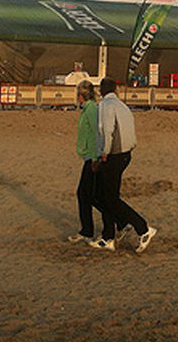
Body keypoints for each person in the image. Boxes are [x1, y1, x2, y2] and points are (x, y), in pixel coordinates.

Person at [89, 78, 157, 252]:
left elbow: (106, 132)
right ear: (116, 91)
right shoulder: (122, 106)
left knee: (106, 197)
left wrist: (101, 156)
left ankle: (141, 228)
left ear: (100, 92)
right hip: (125, 154)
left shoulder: (105, 106)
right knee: (105, 196)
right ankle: (112, 233)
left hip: (113, 156)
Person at [67, 80, 99, 244]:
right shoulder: (87, 108)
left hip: (92, 157)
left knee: (85, 194)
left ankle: (87, 230)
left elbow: (95, 133)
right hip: (88, 156)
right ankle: (87, 229)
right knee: (89, 195)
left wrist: (94, 158)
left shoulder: (91, 109)